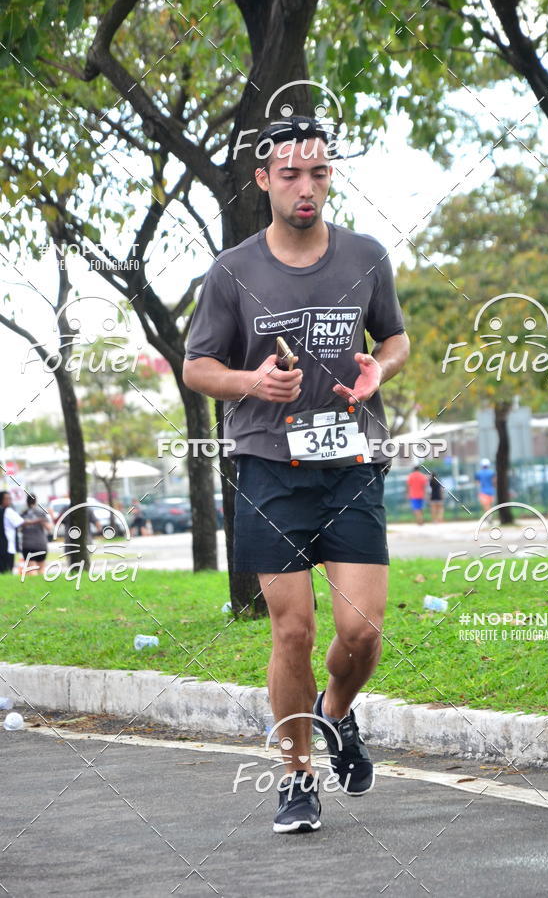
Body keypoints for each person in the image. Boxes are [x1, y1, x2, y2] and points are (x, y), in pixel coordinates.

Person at [182, 116, 410, 834]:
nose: (305, 187)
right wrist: (251, 382)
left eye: (317, 173)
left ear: (330, 176)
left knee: (362, 630)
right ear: (264, 181)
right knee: (293, 633)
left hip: (351, 463)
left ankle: (335, 714)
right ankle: (296, 775)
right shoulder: (233, 271)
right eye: (290, 175)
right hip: (268, 468)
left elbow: (395, 337)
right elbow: (197, 366)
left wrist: (383, 366)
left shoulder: (367, 256)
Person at [0, 491, 38, 574]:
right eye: (7, 499)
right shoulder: (8, 511)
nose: (9, 500)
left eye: (10, 498)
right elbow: (21, 522)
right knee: (6, 571)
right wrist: (38, 521)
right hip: (7, 546)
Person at [20, 494, 52, 575]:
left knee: (30, 569)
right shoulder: (41, 513)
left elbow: (19, 529)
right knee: (41, 569)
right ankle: (42, 586)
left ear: (26, 502)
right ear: (36, 501)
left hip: (27, 544)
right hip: (41, 544)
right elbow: (49, 528)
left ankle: (32, 586)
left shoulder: (23, 514)